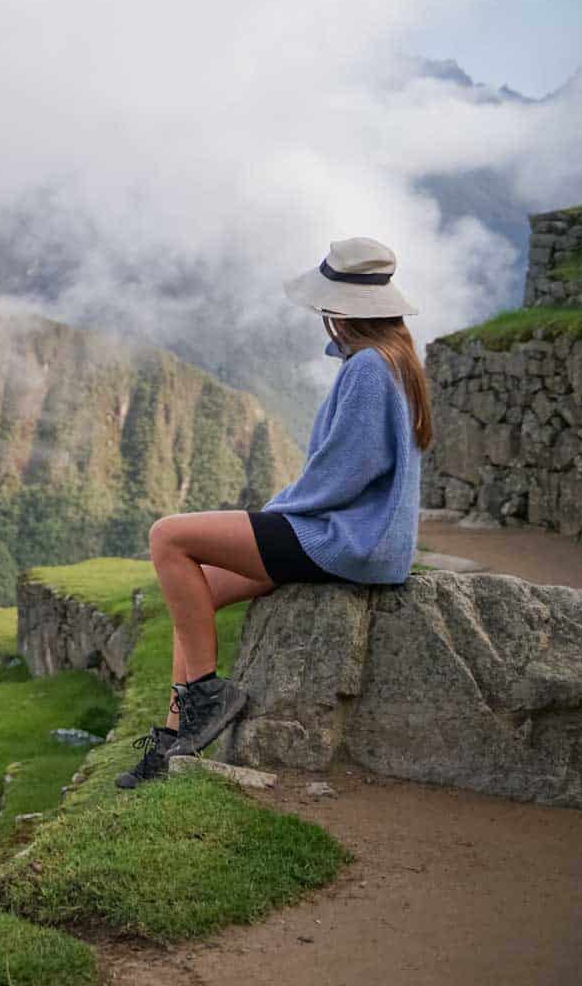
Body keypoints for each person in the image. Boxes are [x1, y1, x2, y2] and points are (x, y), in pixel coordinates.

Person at [116, 236, 434, 789]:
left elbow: (341, 473)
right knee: (199, 594)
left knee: (168, 537)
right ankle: (173, 738)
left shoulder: (367, 370)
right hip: (362, 539)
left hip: (343, 541)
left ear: (337, 311)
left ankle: (207, 695)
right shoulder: (395, 361)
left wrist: (274, 516)